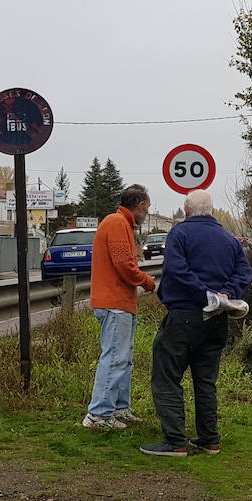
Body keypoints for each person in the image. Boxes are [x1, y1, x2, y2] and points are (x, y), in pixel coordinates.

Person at [140, 189, 252, 457]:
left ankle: (175, 441)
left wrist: (206, 294)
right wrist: (224, 294)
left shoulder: (180, 234)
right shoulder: (229, 239)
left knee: (167, 376)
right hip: (218, 318)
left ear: (186, 211)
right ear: (212, 211)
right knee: (205, 380)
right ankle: (209, 439)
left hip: (184, 315)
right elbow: (244, 272)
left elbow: (177, 271)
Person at [82, 184, 157, 430]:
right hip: (114, 303)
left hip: (120, 302)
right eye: (146, 207)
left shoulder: (120, 223)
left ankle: (118, 408)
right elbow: (124, 265)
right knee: (115, 358)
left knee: (123, 358)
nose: (147, 212)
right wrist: (147, 282)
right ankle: (99, 415)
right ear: (139, 205)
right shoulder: (117, 223)